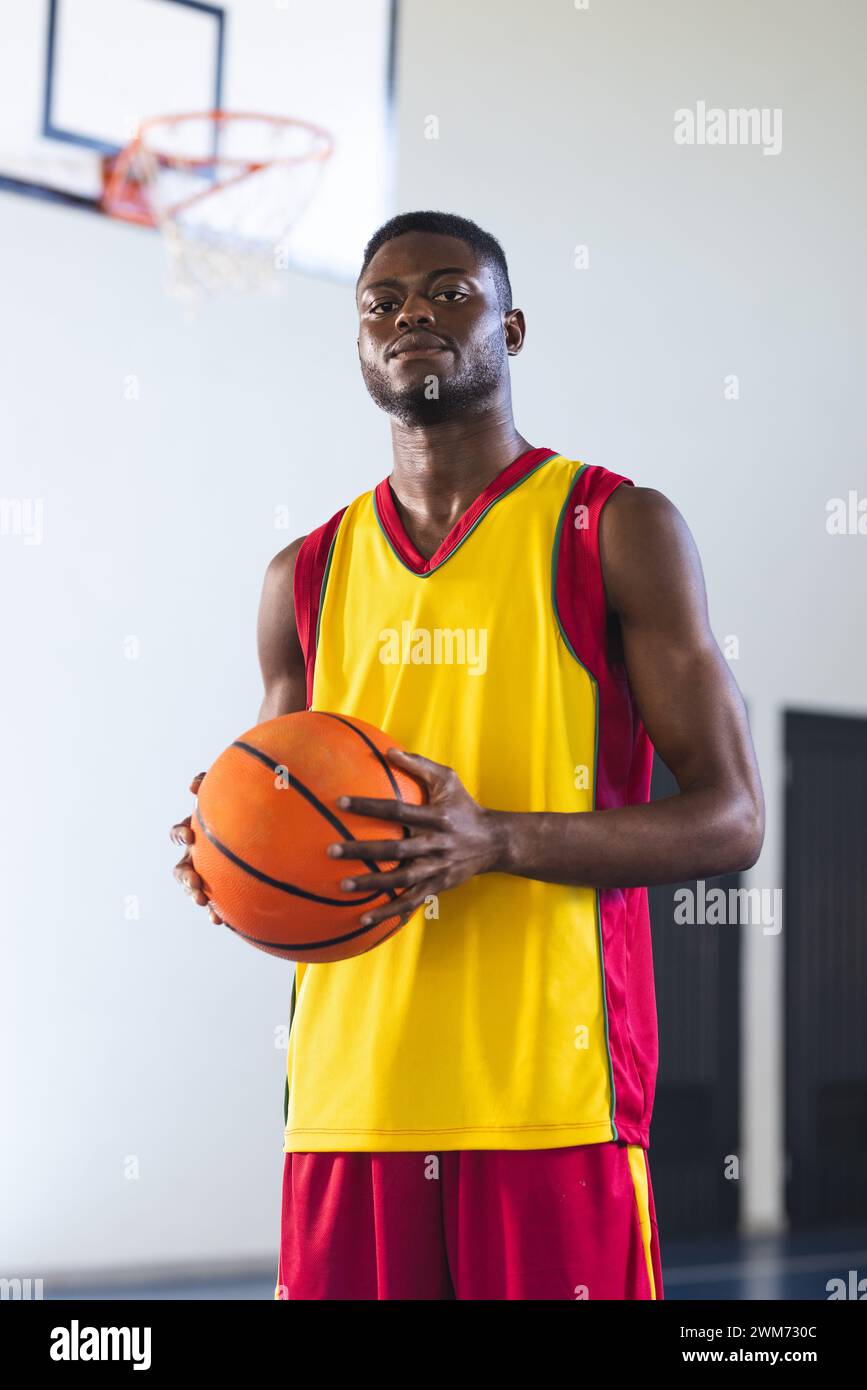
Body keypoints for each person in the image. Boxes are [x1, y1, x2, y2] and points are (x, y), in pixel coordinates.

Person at [171, 210, 764, 1300]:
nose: (413, 318)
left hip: (551, 1095)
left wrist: (493, 839)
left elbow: (732, 820)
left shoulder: (612, 526)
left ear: (513, 327)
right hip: (350, 1103)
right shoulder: (302, 573)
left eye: (450, 293)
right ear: (358, 345)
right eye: (382, 304)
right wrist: (228, 853)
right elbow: (280, 802)